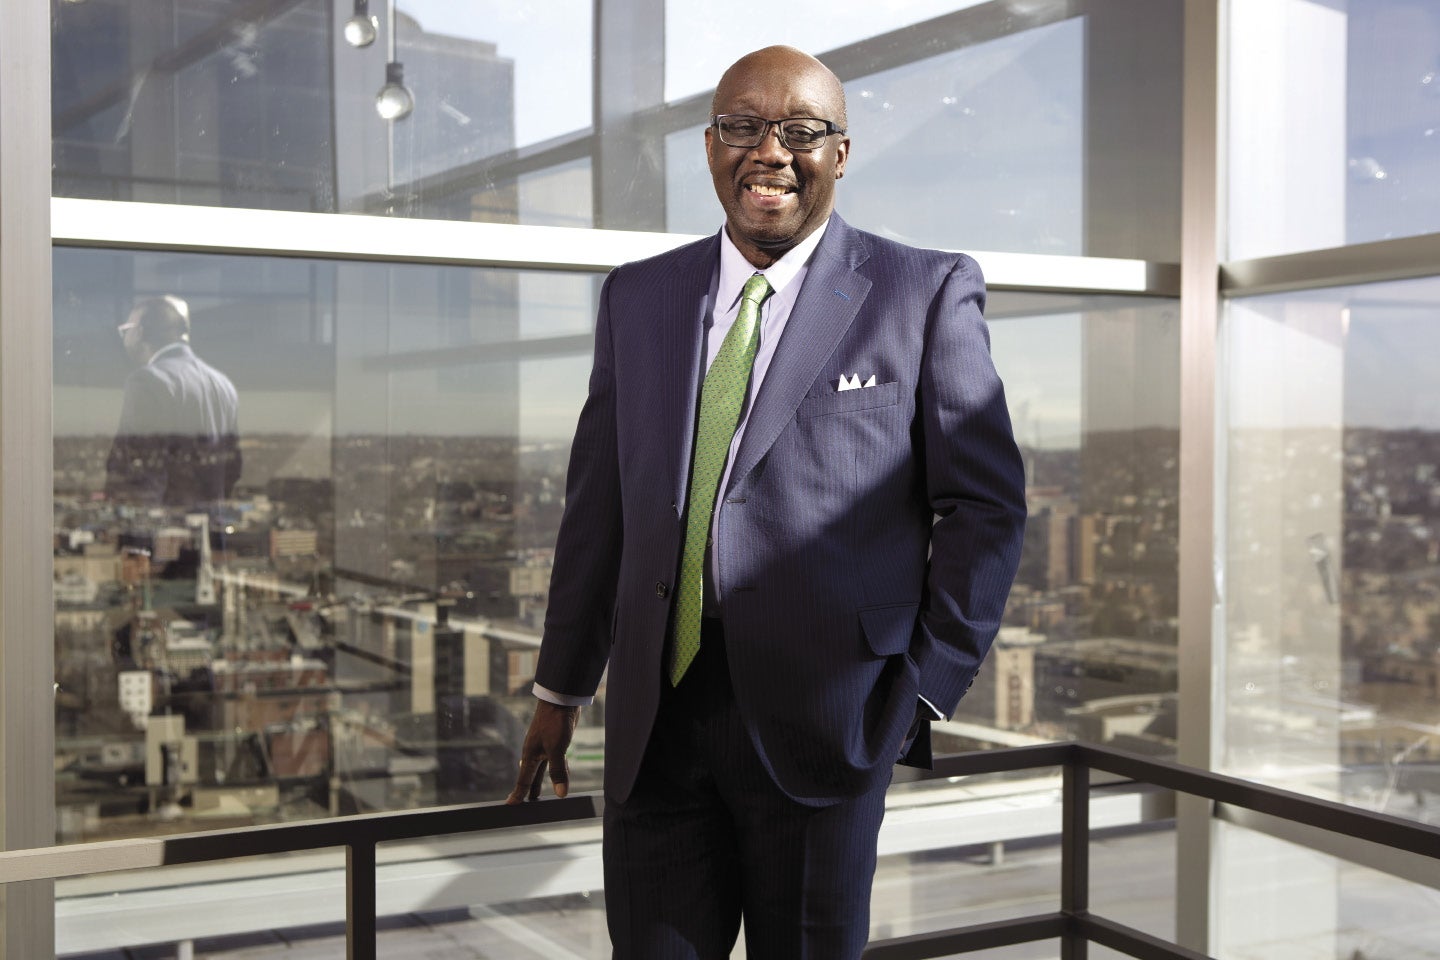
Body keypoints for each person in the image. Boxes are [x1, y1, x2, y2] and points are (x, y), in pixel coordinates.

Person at [507, 45, 1026, 958]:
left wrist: (924, 690)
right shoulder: (637, 297)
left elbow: (986, 507)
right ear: (710, 146)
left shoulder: (923, 292)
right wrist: (560, 685)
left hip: (827, 730)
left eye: (801, 131)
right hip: (653, 732)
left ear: (841, 152)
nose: (770, 152)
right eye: (745, 127)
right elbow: (600, 511)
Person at [105, 295, 241, 509]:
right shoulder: (223, 384)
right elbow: (232, 468)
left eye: (125, 330)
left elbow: (134, 467)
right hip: (211, 526)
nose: (124, 338)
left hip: (167, 530)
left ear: (140, 332)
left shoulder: (147, 381)